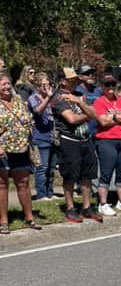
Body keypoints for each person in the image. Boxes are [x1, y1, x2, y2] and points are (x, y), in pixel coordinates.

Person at [50, 68, 102, 223]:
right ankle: (70, 208)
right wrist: (88, 114)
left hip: (85, 139)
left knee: (88, 175)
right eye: (71, 79)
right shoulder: (58, 97)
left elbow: (95, 115)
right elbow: (71, 119)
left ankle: (86, 207)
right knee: (70, 175)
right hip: (69, 141)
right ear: (63, 81)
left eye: (76, 80)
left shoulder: (79, 95)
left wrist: (80, 102)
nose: (75, 82)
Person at [0, 71, 42, 233]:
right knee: (2, 186)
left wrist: (30, 128)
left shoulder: (18, 100)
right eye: (2, 84)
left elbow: (29, 118)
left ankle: (29, 217)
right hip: (3, 150)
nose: (6, 86)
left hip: (22, 148)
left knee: (23, 183)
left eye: (7, 83)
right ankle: (3, 221)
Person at [93, 73, 121, 216]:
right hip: (106, 140)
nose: (111, 87)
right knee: (106, 173)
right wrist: (119, 117)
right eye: (107, 85)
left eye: (113, 84)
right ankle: (103, 203)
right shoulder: (99, 101)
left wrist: (113, 117)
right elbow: (102, 121)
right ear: (102, 87)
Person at [28, 72, 58, 201]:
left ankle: (50, 193)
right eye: (43, 85)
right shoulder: (33, 98)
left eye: (48, 84)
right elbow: (37, 111)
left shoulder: (52, 98)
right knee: (42, 168)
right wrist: (47, 99)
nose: (46, 87)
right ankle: (41, 194)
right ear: (37, 86)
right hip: (40, 137)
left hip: (52, 137)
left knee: (51, 169)